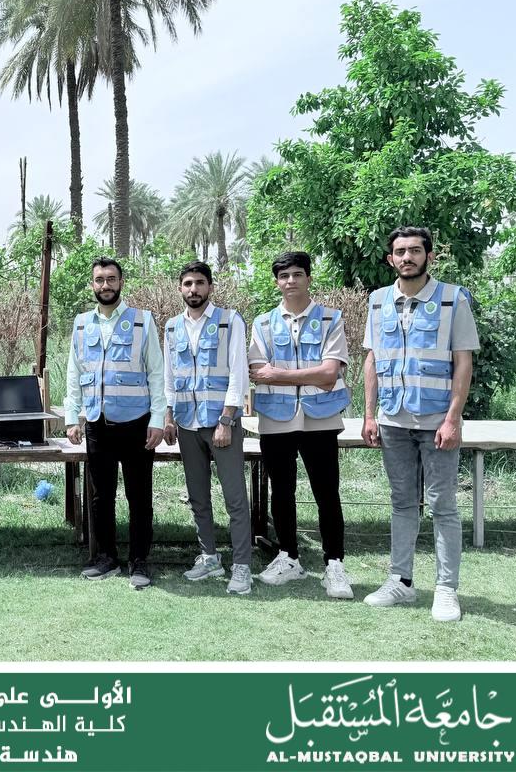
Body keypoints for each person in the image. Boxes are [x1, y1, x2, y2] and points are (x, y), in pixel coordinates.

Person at [361, 226, 479, 623]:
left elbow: (463, 362)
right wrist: (369, 414)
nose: (407, 257)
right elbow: (373, 360)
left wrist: (453, 418)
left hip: (437, 424)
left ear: (429, 256)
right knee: (401, 503)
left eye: (414, 250)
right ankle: (401, 581)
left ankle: (446, 589)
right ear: (391, 259)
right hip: (393, 421)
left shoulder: (452, 299)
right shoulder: (378, 302)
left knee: (442, 506)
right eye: (400, 251)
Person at [248, 251, 353, 599]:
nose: (290, 281)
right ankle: (288, 557)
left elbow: (328, 374)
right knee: (282, 492)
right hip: (276, 419)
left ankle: (334, 564)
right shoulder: (262, 324)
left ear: (309, 278)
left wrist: (278, 374)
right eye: (284, 276)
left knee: (327, 493)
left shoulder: (330, 319)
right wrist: (298, 376)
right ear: (276, 282)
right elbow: (256, 371)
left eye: (297, 274)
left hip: (321, 417)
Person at [64, 257, 165, 590]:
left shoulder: (142, 321)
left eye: (110, 279)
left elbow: (156, 373)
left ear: (121, 282)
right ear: (92, 284)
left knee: (139, 496)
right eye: (98, 280)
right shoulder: (81, 324)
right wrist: (72, 418)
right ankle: (106, 558)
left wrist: (157, 420)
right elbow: (74, 374)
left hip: (137, 424)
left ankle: (139, 560)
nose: (104, 285)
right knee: (100, 496)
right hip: (96, 423)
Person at [163, 261, 253, 595]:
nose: (194, 290)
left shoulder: (230, 321)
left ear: (210, 287)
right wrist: (169, 416)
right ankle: (210, 557)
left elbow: (237, 374)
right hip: (186, 422)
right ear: (180, 288)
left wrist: (227, 420)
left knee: (234, 499)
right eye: (187, 284)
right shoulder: (172, 327)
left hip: (220, 423)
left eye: (200, 283)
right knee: (198, 497)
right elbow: (171, 377)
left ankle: (242, 565)